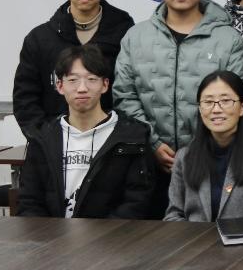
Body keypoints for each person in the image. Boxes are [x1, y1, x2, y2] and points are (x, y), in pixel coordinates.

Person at [113, 0, 243, 215]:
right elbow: (124, 96)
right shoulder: (136, 37)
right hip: (147, 162)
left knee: (204, 236)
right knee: (148, 236)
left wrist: (196, 149)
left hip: (210, 161)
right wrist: (153, 143)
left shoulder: (227, 38)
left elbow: (233, 99)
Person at [17, 45, 155, 219]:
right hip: (52, 234)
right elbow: (29, 202)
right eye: (73, 80)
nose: (82, 88)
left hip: (112, 234)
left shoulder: (132, 137)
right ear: (59, 86)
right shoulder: (42, 138)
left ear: (105, 85)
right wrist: (50, 233)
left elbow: (136, 203)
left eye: (91, 79)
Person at [13, 0, 134, 140]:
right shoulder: (39, 39)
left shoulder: (125, 32)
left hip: (111, 143)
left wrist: (121, 138)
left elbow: (132, 91)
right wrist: (46, 140)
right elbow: (25, 100)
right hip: (53, 143)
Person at [165, 71, 243, 223]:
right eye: (208, 102)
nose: (216, 109)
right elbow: (173, 215)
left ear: (242, 107)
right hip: (194, 238)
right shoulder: (184, 157)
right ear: (200, 108)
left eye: (225, 101)